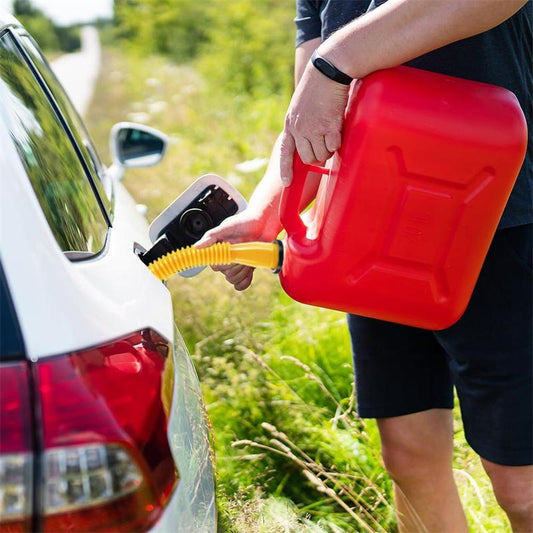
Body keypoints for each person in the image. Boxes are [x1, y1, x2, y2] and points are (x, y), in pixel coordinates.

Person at [198, 1, 532, 530]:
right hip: (372, 229)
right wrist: (265, 215)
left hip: (502, 221)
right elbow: (312, 120)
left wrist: (335, 61)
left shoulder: (336, 54)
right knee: (408, 454)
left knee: (522, 485)